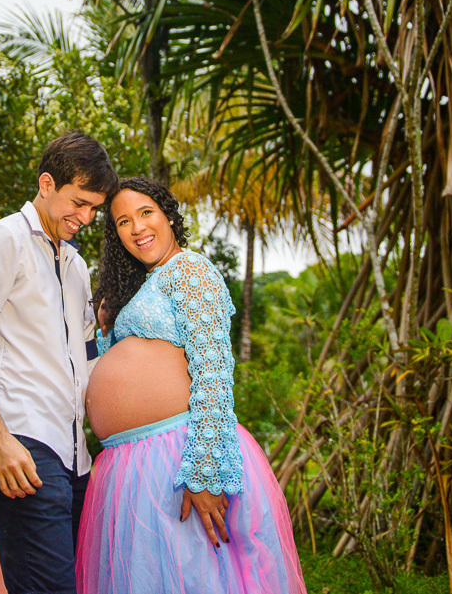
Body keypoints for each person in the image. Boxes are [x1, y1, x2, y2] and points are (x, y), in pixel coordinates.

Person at [77, 176, 306, 594]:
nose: (137, 227)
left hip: (175, 457)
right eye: (123, 222)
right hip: (129, 465)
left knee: (195, 578)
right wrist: (108, 325)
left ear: (168, 216)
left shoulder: (190, 270)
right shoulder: (142, 287)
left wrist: (203, 473)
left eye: (146, 213)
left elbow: (213, 374)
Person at [0, 131, 118, 594]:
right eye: (79, 203)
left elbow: (87, 358)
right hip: (21, 441)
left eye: (94, 209)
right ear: (47, 184)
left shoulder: (76, 265)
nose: (86, 218)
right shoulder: (4, 240)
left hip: (74, 455)